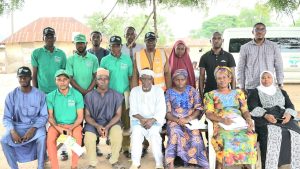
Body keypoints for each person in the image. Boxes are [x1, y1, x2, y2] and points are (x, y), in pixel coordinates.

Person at [203, 66, 257, 169]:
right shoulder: (210, 95)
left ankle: (246, 165)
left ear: (230, 79)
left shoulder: (238, 93)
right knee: (224, 137)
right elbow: (209, 113)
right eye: (219, 78)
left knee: (250, 136)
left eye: (224, 77)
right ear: (216, 80)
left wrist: (248, 119)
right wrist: (222, 120)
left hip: (238, 122)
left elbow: (244, 110)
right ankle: (220, 165)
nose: (222, 80)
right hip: (221, 123)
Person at [247, 71, 300, 169]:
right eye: (263, 77)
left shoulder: (281, 91)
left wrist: (288, 114)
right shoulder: (255, 92)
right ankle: (271, 165)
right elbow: (252, 107)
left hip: (283, 117)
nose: (266, 79)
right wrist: (265, 115)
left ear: (273, 79)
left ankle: (292, 164)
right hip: (265, 118)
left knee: (296, 134)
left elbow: (290, 105)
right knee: (272, 134)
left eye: (268, 77)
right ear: (260, 79)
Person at [1, 66, 48, 169]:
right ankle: (14, 167)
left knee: (42, 137)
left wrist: (33, 128)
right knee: (4, 140)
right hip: (17, 126)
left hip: (35, 126)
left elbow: (44, 116)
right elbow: (6, 117)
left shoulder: (40, 95)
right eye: (20, 77)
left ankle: (40, 166)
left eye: (25, 77)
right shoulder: (11, 95)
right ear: (17, 78)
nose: (23, 79)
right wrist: (12, 131)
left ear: (31, 78)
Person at [165, 69, 209, 169]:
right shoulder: (169, 92)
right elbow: (167, 113)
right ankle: (170, 163)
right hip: (174, 120)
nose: (180, 82)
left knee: (195, 136)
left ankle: (193, 162)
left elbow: (198, 108)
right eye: (177, 80)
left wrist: (188, 118)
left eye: (182, 79)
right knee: (175, 132)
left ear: (186, 79)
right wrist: (177, 120)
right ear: (173, 80)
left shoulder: (192, 90)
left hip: (191, 120)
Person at [84, 68, 125, 169]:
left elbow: (118, 115)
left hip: (111, 123)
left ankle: (114, 161)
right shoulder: (89, 96)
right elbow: (87, 116)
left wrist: (107, 127)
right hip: (94, 124)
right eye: (100, 78)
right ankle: (92, 163)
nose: (102, 81)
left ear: (109, 80)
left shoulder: (116, 95)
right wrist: (97, 126)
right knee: (89, 137)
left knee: (117, 134)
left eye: (105, 78)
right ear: (96, 80)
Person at [100, 35, 133, 158]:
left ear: (121, 46)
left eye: (117, 45)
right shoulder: (104, 60)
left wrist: (132, 95)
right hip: (110, 96)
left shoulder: (127, 59)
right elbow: (102, 80)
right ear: (109, 46)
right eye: (113, 45)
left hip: (125, 95)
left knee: (126, 122)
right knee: (112, 123)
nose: (115, 48)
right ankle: (114, 150)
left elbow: (130, 77)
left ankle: (125, 148)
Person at [46, 69, 84, 169]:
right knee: (50, 139)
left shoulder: (77, 95)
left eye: (65, 79)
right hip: (57, 125)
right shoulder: (50, 96)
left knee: (77, 136)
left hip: (73, 125)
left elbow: (80, 117)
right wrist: (59, 129)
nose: (62, 82)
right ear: (55, 81)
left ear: (69, 81)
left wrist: (70, 129)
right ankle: (55, 167)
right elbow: (50, 117)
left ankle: (74, 166)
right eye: (59, 79)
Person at [129, 69, 166, 169]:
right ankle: (135, 163)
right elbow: (133, 110)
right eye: (143, 79)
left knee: (154, 135)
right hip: (138, 120)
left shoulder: (158, 91)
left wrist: (152, 121)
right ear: (140, 79)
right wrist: (142, 120)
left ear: (152, 79)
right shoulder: (134, 91)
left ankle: (159, 163)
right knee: (136, 134)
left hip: (154, 121)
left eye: (148, 79)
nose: (146, 81)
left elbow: (161, 110)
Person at [237, 22, 284, 93]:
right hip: (251, 86)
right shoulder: (245, 48)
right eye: (257, 29)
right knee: (252, 104)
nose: (260, 31)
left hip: (269, 86)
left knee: (269, 104)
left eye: (262, 29)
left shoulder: (273, 46)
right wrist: (241, 86)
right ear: (253, 32)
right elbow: (240, 68)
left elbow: (279, 66)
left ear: (265, 32)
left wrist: (280, 83)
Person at [199, 32, 236, 99]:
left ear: (222, 40)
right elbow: (201, 77)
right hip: (209, 93)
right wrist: (201, 95)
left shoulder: (229, 56)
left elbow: (233, 76)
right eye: (214, 38)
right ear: (211, 41)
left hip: (225, 93)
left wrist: (233, 94)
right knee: (209, 110)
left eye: (219, 38)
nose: (216, 40)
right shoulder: (204, 57)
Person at [31, 27, 67, 94]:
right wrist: (35, 91)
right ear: (43, 38)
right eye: (47, 37)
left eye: (51, 37)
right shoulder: (36, 53)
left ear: (55, 38)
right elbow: (34, 75)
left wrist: (63, 90)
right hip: (42, 91)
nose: (49, 39)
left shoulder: (61, 54)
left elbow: (64, 75)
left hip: (58, 91)